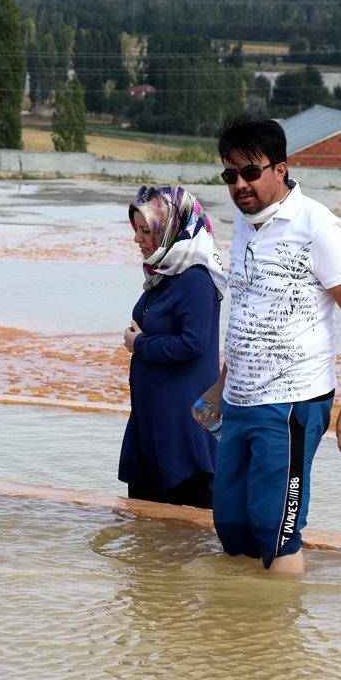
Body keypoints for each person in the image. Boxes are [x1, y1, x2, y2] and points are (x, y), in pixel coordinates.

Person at [197, 114, 341, 575]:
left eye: (250, 172)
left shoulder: (318, 226)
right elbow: (248, 318)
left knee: (276, 530)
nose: (239, 184)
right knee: (232, 523)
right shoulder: (243, 225)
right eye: (229, 174)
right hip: (240, 400)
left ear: (281, 169)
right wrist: (221, 387)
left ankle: (278, 643)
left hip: (293, 402)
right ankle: (236, 635)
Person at [119, 185, 227, 509]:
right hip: (156, 419)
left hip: (184, 423)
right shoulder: (164, 273)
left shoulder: (194, 277)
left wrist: (140, 343)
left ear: (169, 227)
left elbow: (193, 344)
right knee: (148, 532)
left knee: (187, 532)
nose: (137, 239)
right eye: (135, 230)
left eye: (144, 230)